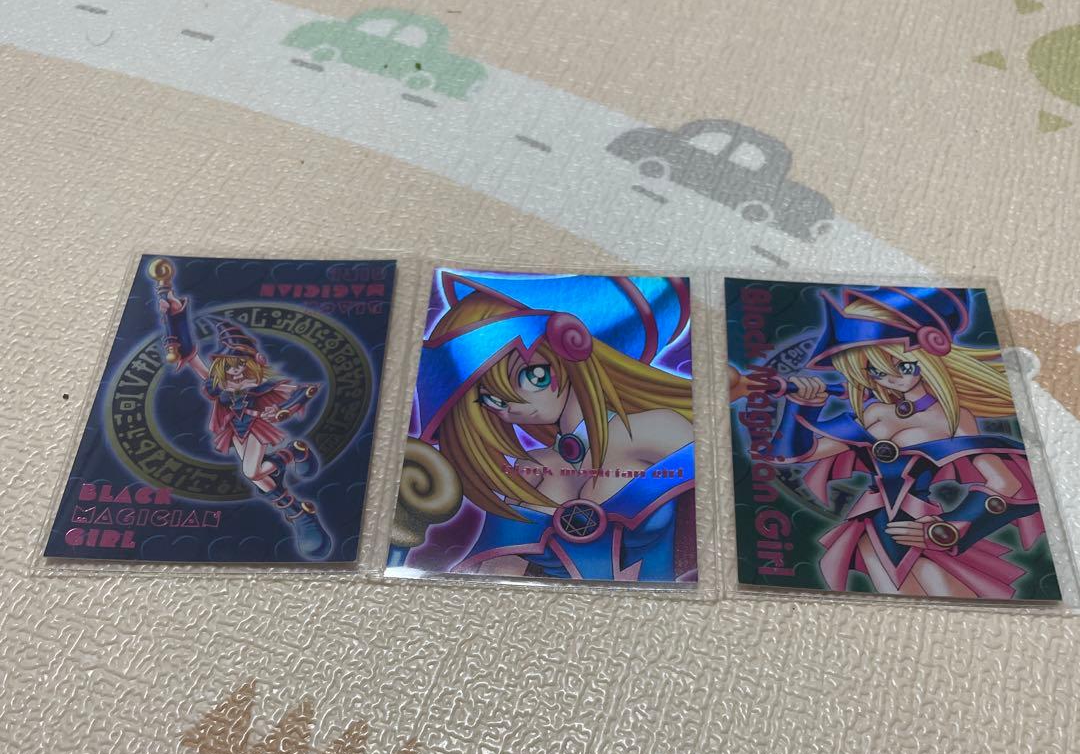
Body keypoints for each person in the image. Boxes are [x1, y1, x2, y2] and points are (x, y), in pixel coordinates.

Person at [751, 285, 1051, 598]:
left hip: (920, 529)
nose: (891, 377)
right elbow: (792, 455)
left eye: (903, 366)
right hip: (872, 530)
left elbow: (1004, 482)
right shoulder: (874, 412)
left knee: (947, 599)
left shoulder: (951, 416)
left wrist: (949, 528)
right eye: (877, 371)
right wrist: (802, 406)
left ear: (929, 359)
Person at [411, 271, 696, 581]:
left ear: (571, 354)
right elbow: (495, 572)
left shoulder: (653, 429)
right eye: (491, 399)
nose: (510, 407)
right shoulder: (533, 469)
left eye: (531, 376)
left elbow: (714, 521)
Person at [149, 258, 331, 559]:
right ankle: (298, 499)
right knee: (258, 476)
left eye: (240, 367)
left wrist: (281, 412)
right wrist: (177, 316)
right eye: (229, 367)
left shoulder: (261, 388)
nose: (234, 372)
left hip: (256, 426)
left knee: (252, 470)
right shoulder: (218, 386)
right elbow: (191, 356)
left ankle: (293, 478)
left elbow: (305, 392)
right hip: (233, 429)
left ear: (254, 365)